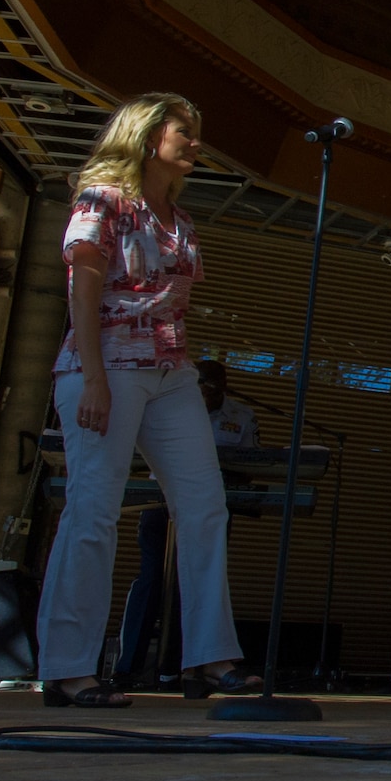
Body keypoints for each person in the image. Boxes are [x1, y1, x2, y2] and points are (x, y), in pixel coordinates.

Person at [37, 93, 259, 707]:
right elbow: (82, 288)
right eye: (184, 131)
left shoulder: (179, 219)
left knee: (205, 505)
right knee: (94, 513)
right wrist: (97, 376)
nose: (194, 142)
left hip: (170, 373)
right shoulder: (104, 199)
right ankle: (68, 667)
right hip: (105, 365)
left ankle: (209, 658)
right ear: (147, 134)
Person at [112, 359, 261, 685]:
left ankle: (180, 668)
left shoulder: (242, 417)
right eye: (200, 381)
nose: (205, 389)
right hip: (160, 497)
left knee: (196, 579)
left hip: (208, 498)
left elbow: (255, 464)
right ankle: (126, 669)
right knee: (152, 577)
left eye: (211, 383)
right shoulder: (172, 405)